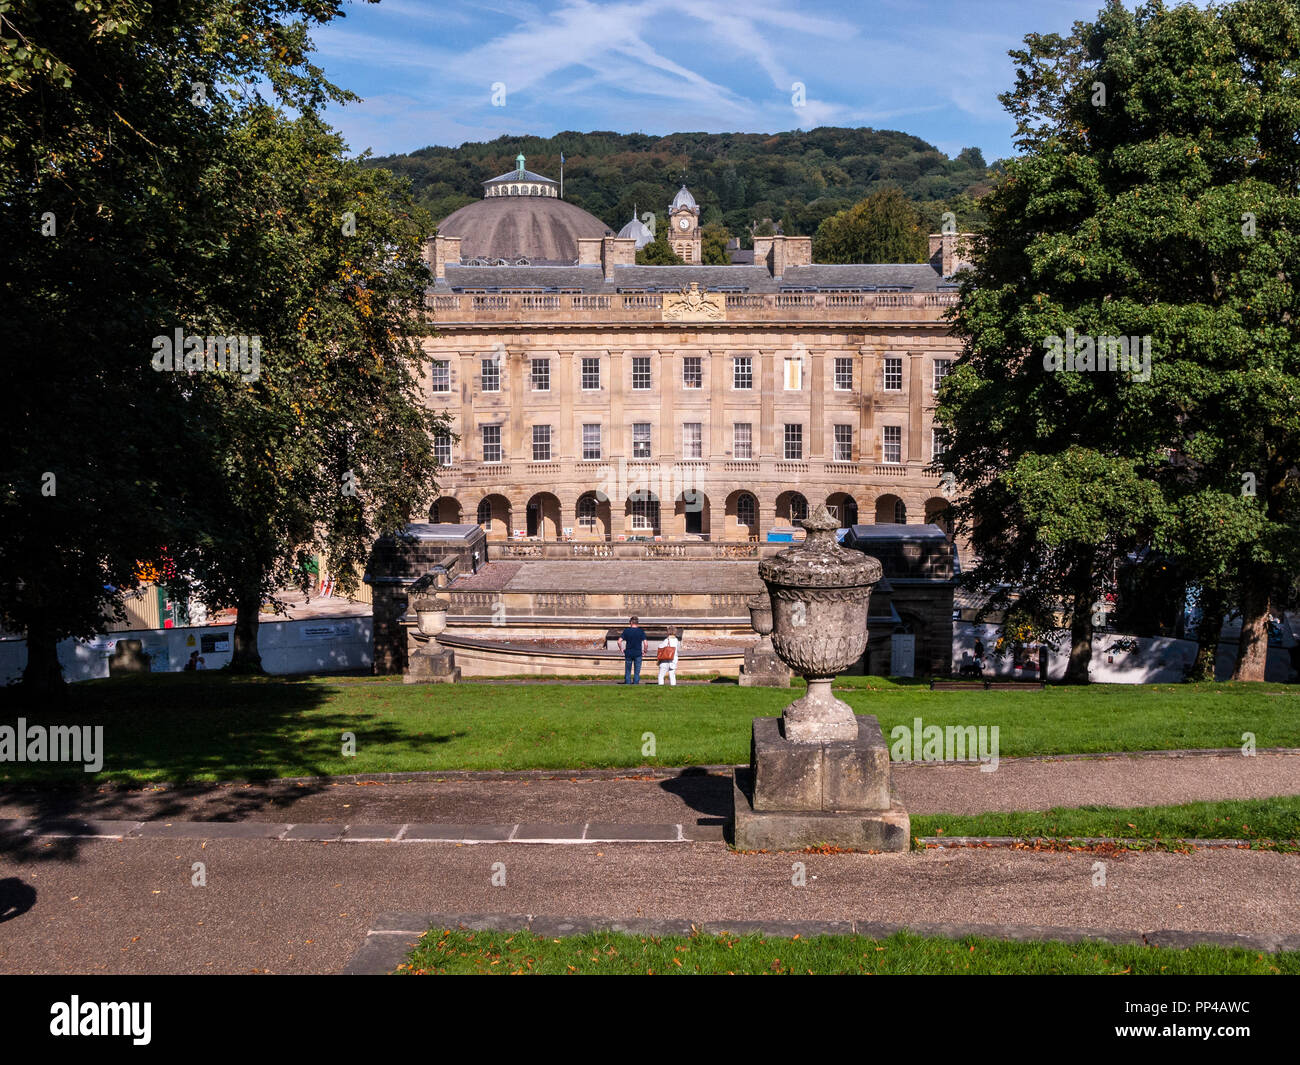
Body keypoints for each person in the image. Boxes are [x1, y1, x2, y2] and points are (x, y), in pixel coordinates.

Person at [618, 616, 647, 684]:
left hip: (628, 653)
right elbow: (646, 644)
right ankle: (636, 683)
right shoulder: (641, 631)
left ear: (631, 622)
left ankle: (627, 683)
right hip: (638, 653)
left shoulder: (626, 631)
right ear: (637, 623)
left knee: (628, 670)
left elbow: (619, 641)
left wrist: (621, 649)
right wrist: (644, 651)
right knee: (637, 671)